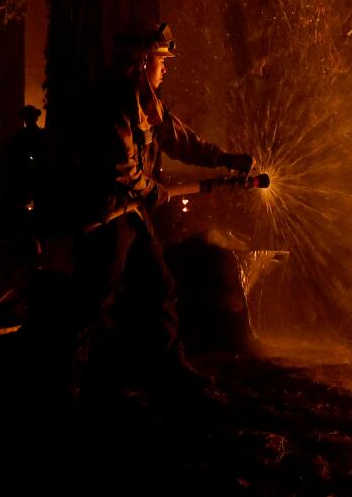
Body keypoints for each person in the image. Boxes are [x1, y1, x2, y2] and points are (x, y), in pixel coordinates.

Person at [72, 21, 253, 401]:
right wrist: (153, 189)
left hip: (131, 214)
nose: (165, 68)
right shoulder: (114, 102)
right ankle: (71, 380)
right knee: (95, 297)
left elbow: (180, 140)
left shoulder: (146, 103)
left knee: (160, 287)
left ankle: (167, 368)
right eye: (161, 60)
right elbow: (121, 168)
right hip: (107, 218)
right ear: (142, 62)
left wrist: (225, 159)